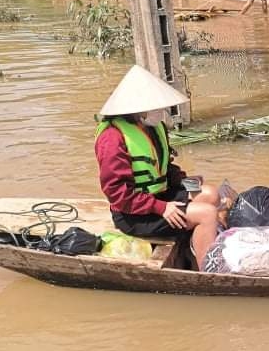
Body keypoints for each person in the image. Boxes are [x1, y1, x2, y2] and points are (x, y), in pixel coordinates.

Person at [94, 64, 220, 266]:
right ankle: (209, 272)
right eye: (155, 106)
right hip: (134, 213)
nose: (161, 111)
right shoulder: (112, 138)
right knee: (207, 214)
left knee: (210, 193)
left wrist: (182, 180)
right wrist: (161, 208)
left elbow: (162, 167)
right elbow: (117, 193)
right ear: (137, 107)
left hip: (160, 195)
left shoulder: (152, 126)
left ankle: (191, 249)